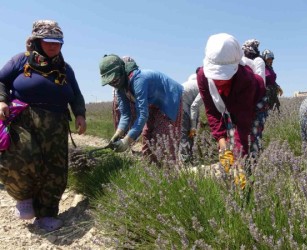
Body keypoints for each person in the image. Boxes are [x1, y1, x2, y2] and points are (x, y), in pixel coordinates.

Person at [0, 20, 87, 232]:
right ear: (37, 41)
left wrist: (80, 114)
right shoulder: (20, 61)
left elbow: (75, 94)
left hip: (56, 123)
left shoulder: (65, 69)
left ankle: (46, 214)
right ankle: (24, 198)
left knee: (54, 170)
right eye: (48, 41)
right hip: (24, 119)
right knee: (22, 159)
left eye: (58, 42)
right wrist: (2, 100)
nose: (53, 46)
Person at [197, 33, 266, 180]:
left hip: (255, 102)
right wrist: (222, 143)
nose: (220, 80)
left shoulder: (245, 78)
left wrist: (239, 163)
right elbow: (212, 111)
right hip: (228, 104)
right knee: (228, 144)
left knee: (250, 142)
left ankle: (251, 179)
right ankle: (234, 179)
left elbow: (242, 123)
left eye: (224, 75)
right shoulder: (203, 76)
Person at [99, 54, 183, 163]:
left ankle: (169, 172)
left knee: (163, 138)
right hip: (154, 103)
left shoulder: (138, 80)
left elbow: (142, 115)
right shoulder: (120, 88)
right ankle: (151, 170)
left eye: (114, 79)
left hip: (170, 99)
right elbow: (125, 115)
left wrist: (127, 141)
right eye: (109, 81)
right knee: (147, 136)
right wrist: (118, 133)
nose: (112, 83)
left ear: (121, 71)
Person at [179, 68, 203, 163]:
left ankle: (187, 158)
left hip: (176, 104)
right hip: (182, 105)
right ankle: (186, 162)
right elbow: (194, 107)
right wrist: (193, 126)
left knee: (183, 133)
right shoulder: (203, 86)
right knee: (186, 132)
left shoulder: (190, 84)